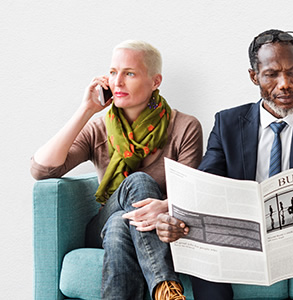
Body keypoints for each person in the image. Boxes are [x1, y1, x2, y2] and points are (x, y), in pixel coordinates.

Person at [154, 29, 293, 300]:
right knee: (200, 234)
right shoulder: (227, 124)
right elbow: (206, 184)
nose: (285, 83)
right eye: (272, 74)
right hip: (244, 239)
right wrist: (176, 217)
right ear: (254, 76)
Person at [30, 40, 203, 300]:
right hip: (99, 224)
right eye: (113, 72)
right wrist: (86, 109)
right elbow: (42, 169)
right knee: (138, 182)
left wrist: (164, 206)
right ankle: (167, 289)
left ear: (155, 81)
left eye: (129, 73)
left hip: (160, 227)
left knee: (118, 225)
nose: (117, 82)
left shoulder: (184, 127)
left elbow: (190, 194)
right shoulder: (99, 128)